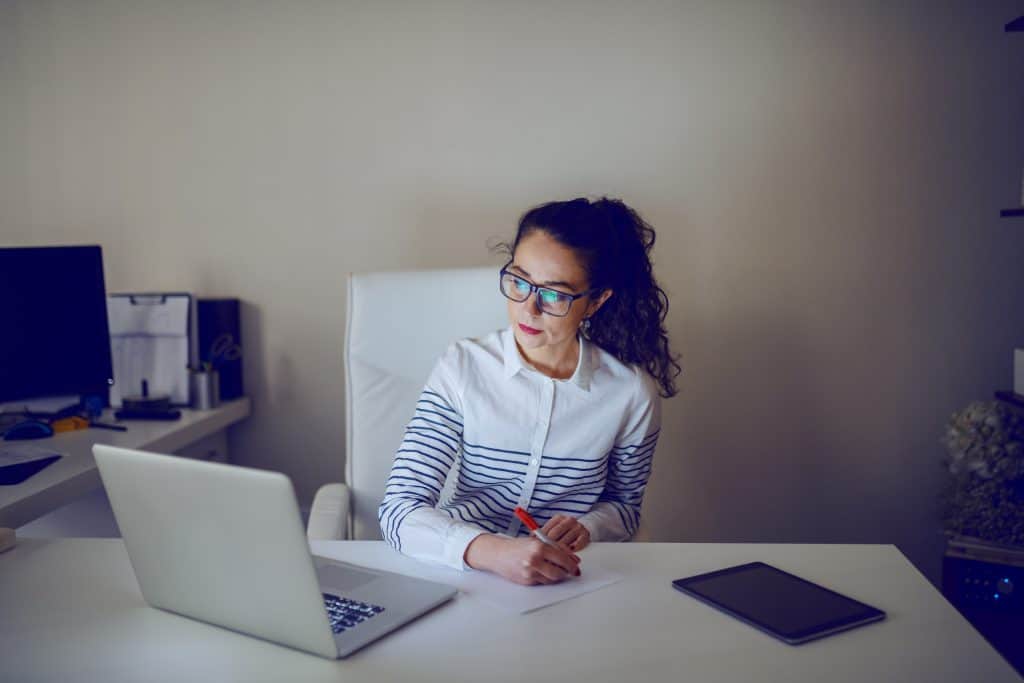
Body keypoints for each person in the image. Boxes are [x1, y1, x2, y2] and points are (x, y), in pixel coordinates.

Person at [378, 197, 680, 586]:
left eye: (554, 293)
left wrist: (590, 526)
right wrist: (493, 552)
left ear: (596, 301)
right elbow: (399, 510)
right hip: (465, 571)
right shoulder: (462, 366)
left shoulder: (630, 393)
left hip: (570, 580)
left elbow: (625, 507)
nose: (528, 308)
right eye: (519, 282)